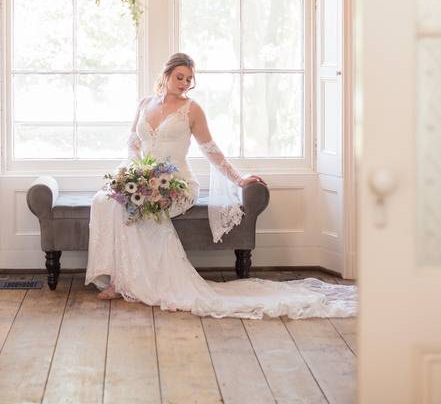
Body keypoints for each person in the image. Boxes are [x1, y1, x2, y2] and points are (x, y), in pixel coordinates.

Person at [85, 52, 357, 319]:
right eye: (180, 77)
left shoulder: (192, 110)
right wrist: (135, 176)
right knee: (104, 201)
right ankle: (119, 279)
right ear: (166, 75)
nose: (184, 83)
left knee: (142, 212)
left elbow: (210, 150)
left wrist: (239, 180)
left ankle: (128, 284)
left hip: (177, 184)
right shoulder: (144, 103)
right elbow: (133, 145)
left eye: (189, 79)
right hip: (143, 180)